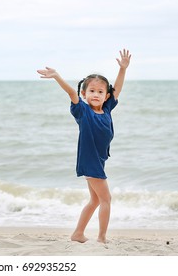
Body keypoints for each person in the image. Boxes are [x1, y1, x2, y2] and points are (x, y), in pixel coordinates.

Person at [37, 49, 131, 243]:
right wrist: (57, 76)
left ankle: (78, 233)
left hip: (98, 160)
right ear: (84, 93)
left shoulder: (106, 109)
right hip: (90, 162)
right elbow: (71, 92)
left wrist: (122, 69)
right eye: (91, 91)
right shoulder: (82, 111)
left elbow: (118, 89)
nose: (96, 94)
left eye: (100, 92)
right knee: (106, 199)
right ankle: (102, 238)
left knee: (96, 200)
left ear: (106, 96)